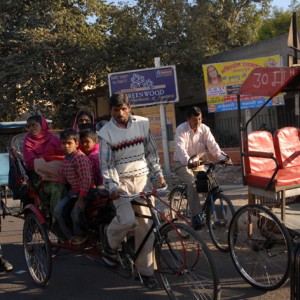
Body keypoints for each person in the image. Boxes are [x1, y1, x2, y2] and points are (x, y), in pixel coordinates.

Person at [98, 93, 166, 289]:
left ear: (129, 106)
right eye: (115, 110)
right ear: (110, 111)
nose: (120, 113)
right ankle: (109, 244)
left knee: (147, 227)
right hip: (122, 184)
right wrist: (113, 186)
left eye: (123, 109)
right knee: (127, 220)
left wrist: (158, 175)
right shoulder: (106, 132)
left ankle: (146, 272)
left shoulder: (142, 125)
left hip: (143, 181)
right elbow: (106, 164)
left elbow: (151, 153)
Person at [173, 106, 231, 230]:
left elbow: (213, 145)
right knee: (193, 184)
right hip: (182, 163)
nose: (198, 122)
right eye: (195, 120)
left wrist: (222, 158)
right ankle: (196, 217)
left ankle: (214, 216)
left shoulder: (204, 129)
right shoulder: (181, 129)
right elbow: (180, 149)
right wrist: (189, 161)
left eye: (199, 119)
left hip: (198, 163)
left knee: (208, 184)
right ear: (188, 119)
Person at [53, 128, 96, 245]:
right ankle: (70, 236)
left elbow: (86, 179)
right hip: (73, 192)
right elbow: (62, 175)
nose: (66, 146)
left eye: (69, 143)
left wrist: (81, 199)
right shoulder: (66, 158)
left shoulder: (80, 158)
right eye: (63, 143)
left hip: (87, 191)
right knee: (58, 211)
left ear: (76, 144)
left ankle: (82, 235)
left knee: (75, 213)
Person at [22, 115, 66, 216]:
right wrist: (48, 161)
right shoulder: (27, 141)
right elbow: (31, 164)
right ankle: (57, 220)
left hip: (61, 172)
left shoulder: (53, 139)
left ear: (43, 125)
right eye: (29, 127)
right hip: (40, 179)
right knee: (58, 188)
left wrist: (49, 159)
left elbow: (64, 155)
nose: (31, 128)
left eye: (34, 125)